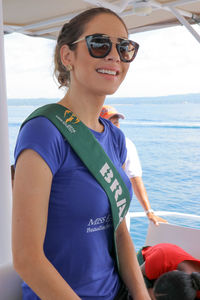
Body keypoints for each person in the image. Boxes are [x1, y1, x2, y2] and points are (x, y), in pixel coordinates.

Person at [12, 7, 151, 300]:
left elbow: (120, 232)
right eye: (99, 44)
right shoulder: (44, 131)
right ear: (68, 56)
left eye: (124, 47)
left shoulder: (115, 138)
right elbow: (27, 259)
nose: (114, 55)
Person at [100, 105, 167, 226]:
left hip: (119, 211)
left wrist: (149, 211)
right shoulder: (89, 146)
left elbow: (135, 178)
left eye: (116, 123)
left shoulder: (126, 144)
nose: (115, 127)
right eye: (110, 123)